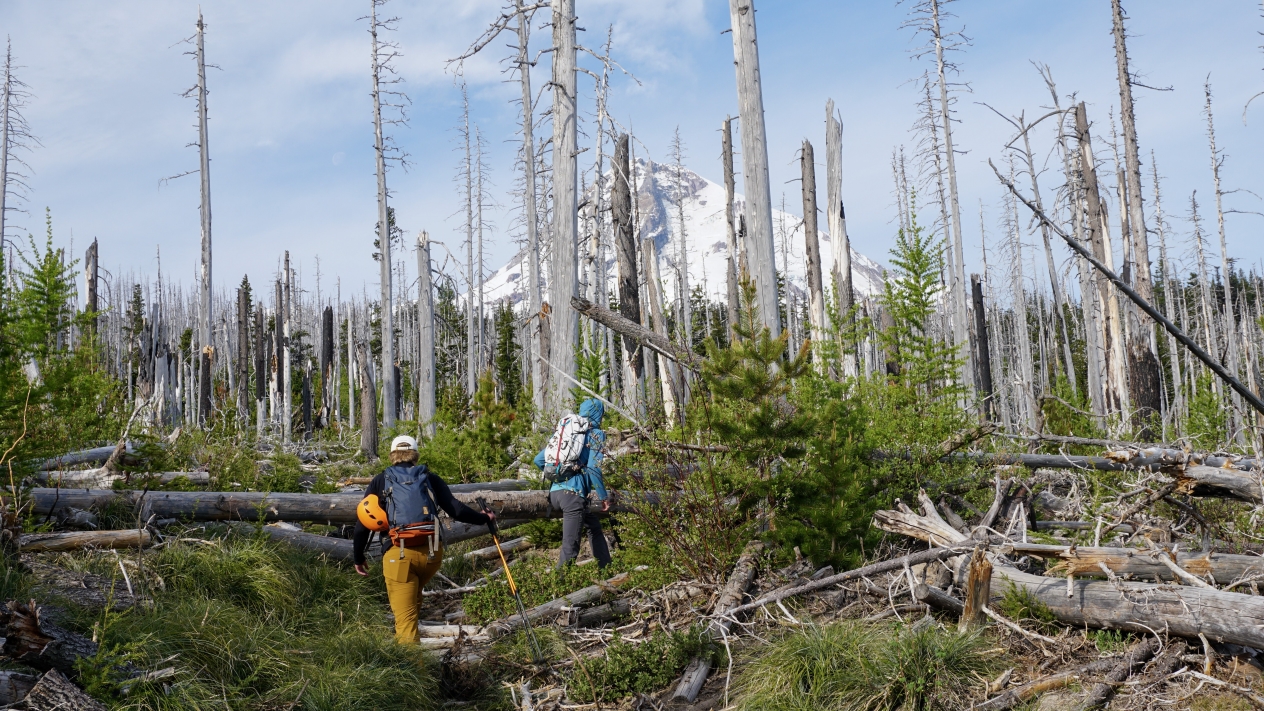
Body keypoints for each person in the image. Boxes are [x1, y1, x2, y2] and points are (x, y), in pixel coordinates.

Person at [352, 435, 494, 644]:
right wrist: (483, 518)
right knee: (413, 602)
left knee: (405, 627)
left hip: (398, 555)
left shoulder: (381, 480)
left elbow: (363, 521)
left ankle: (412, 673)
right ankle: (418, 661)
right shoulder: (429, 477)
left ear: (392, 456)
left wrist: (358, 557)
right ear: (415, 455)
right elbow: (455, 509)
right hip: (431, 554)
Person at [534, 398, 611, 570]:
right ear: (598, 414)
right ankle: (559, 591)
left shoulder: (568, 433)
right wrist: (603, 496)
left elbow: (538, 460)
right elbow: (593, 469)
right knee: (570, 548)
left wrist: (559, 476)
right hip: (572, 497)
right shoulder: (596, 434)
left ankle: (607, 570)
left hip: (555, 494)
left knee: (594, 526)